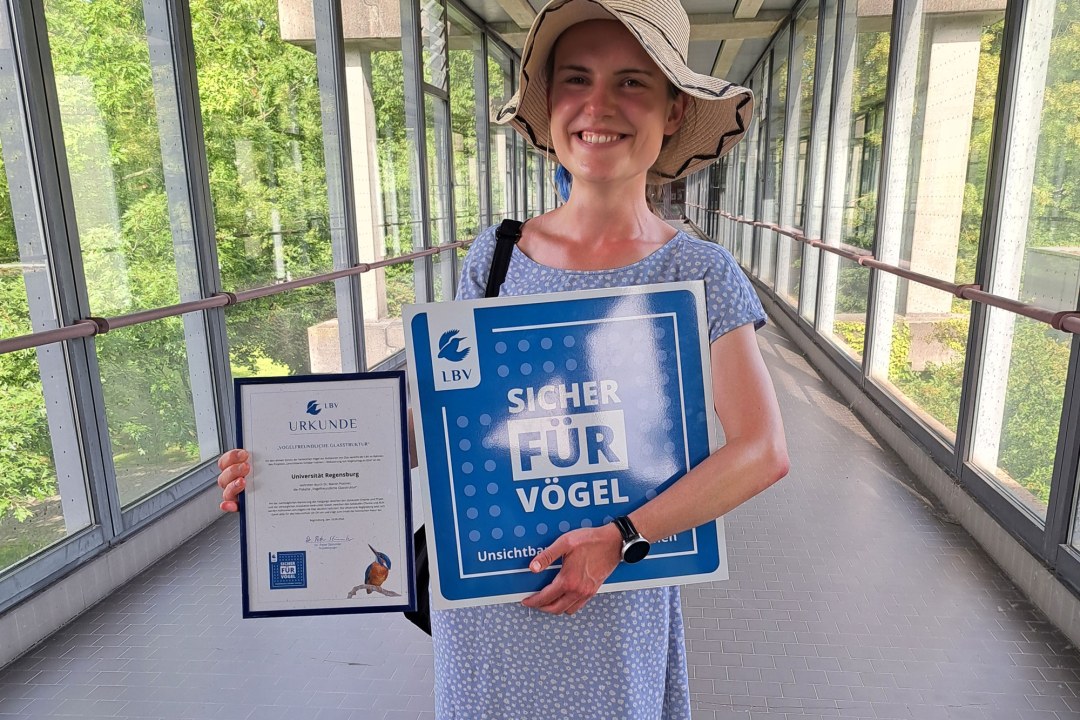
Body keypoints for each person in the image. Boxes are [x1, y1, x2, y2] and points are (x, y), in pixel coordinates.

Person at [218, 0, 788, 716]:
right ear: (550, 104)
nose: (598, 105)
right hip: (490, 597)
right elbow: (446, 421)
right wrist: (291, 466)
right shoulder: (496, 255)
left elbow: (762, 451)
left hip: (614, 592)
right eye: (575, 79)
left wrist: (619, 539)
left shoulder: (700, 272)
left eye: (632, 82)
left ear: (674, 110)